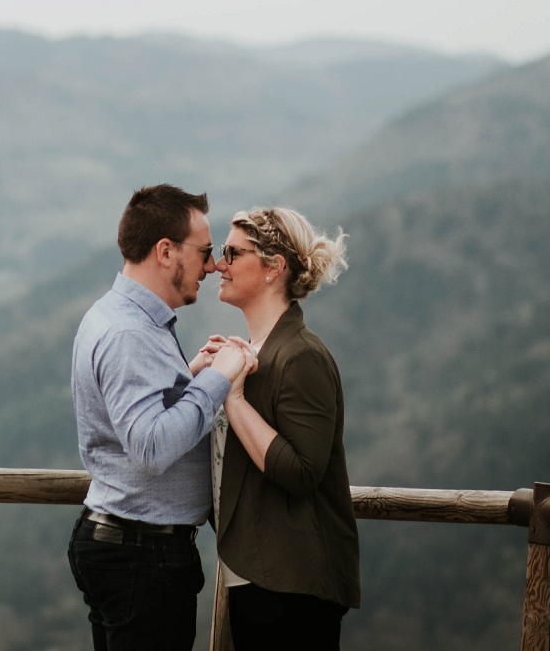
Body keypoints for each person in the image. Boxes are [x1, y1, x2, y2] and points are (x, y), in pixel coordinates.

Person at [68, 184, 255, 651]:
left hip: (128, 550)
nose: (212, 266)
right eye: (206, 252)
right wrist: (221, 380)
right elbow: (151, 447)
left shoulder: (117, 315)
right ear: (165, 251)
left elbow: (134, 412)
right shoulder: (131, 332)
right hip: (141, 556)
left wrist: (187, 377)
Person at [212, 207, 359, 650]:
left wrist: (232, 399)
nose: (220, 264)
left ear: (274, 267)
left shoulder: (302, 356)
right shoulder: (253, 352)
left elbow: (301, 472)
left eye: (232, 252)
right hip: (259, 575)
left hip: (291, 586)